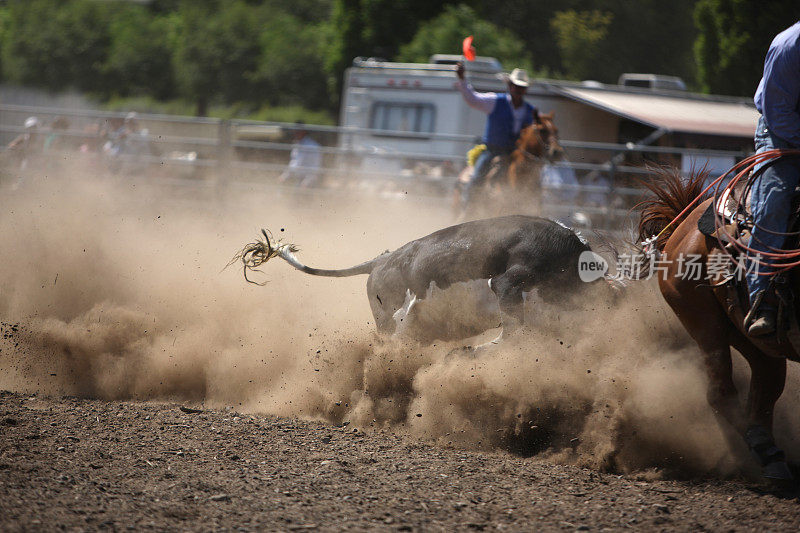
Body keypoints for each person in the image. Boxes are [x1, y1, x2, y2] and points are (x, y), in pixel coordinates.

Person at [745, 21, 800, 336]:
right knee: (774, 202)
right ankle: (762, 299)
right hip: (781, 133)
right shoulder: (789, 46)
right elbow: (778, 112)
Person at [455, 61, 539, 209]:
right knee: (476, 178)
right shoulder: (495, 101)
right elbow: (472, 99)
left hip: (514, 153)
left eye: (521, 88)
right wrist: (462, 79)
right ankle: (468, 209)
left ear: (525, 90)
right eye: (516, 86)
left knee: (532, 181)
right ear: (510, 86)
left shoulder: (530, 111)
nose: (518, 90)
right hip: (492, 150)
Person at [279, 122, 322, 187]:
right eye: (294, 131)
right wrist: (285, 175)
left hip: (308, 177)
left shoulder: (311, 146)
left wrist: (307, 181)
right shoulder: (297, 144)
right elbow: (294, 162)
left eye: (297, 131)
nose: (295, 133)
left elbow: (315, 166)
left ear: (303, 132)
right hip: (299, 176)